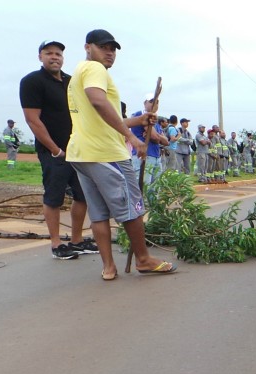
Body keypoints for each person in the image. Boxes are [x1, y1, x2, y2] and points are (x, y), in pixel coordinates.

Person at [66, 29, 176, 280]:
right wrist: (132, 137)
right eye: (104, 47)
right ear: (88, 47)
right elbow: (98, 102)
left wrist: (137, 120)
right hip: (106, 153)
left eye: (113, 49)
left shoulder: (78, 74)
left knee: (98, 212)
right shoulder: (95, 70)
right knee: (132, 207)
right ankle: (144, 259)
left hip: (82, 153)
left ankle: (109, 267)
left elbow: (101, 115)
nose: (109, 53)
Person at [19, 39, 99, 260]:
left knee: (82, 195)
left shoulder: (71, 82)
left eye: (58, 54)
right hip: (53, 152)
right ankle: (56, 244)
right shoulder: (32, 82)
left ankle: (76, 240)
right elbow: (32, 120)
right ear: (40, 57)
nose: (54, 57)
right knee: (54, 197)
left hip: (77, 149)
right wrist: (54, 149)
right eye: (49, 53)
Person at [130, 93, 168, 185]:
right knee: (144, 186)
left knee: (155, 188)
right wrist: (158, 137)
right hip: (144, 156)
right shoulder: (139, 115)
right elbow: (155, 137)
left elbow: (166, 142)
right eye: (151, 101)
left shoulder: (155, 121)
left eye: (157, 102)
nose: (155, 104)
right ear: (145, 103)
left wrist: (157, 136)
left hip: (155, 156)